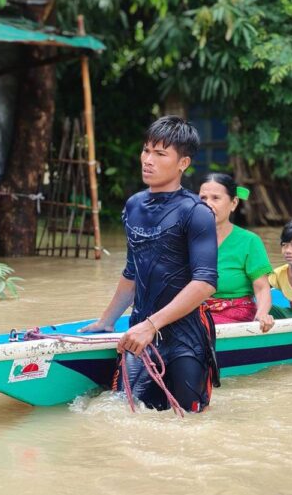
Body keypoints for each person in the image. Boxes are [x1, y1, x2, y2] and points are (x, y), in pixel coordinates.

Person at [78, 116, 218, 413]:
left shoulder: (196, 212)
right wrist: (107, 321)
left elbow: (205, 282)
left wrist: (151, 325)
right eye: (146, 150)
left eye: (160, 153)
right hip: (140, 336)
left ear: (183, 163)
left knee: (191, 426)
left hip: (185, 341)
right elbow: (133, 270)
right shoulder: (134, 206)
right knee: (117, 415)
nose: (148, 160)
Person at [198, 173, 275, 331]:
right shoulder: (188, 239)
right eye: (203, 198)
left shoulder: (249, 241)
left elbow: (261, 288)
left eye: (215, 198)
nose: (208, 204)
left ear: (233, 203)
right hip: (196, 311)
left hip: (235, 314)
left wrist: (261, 315)